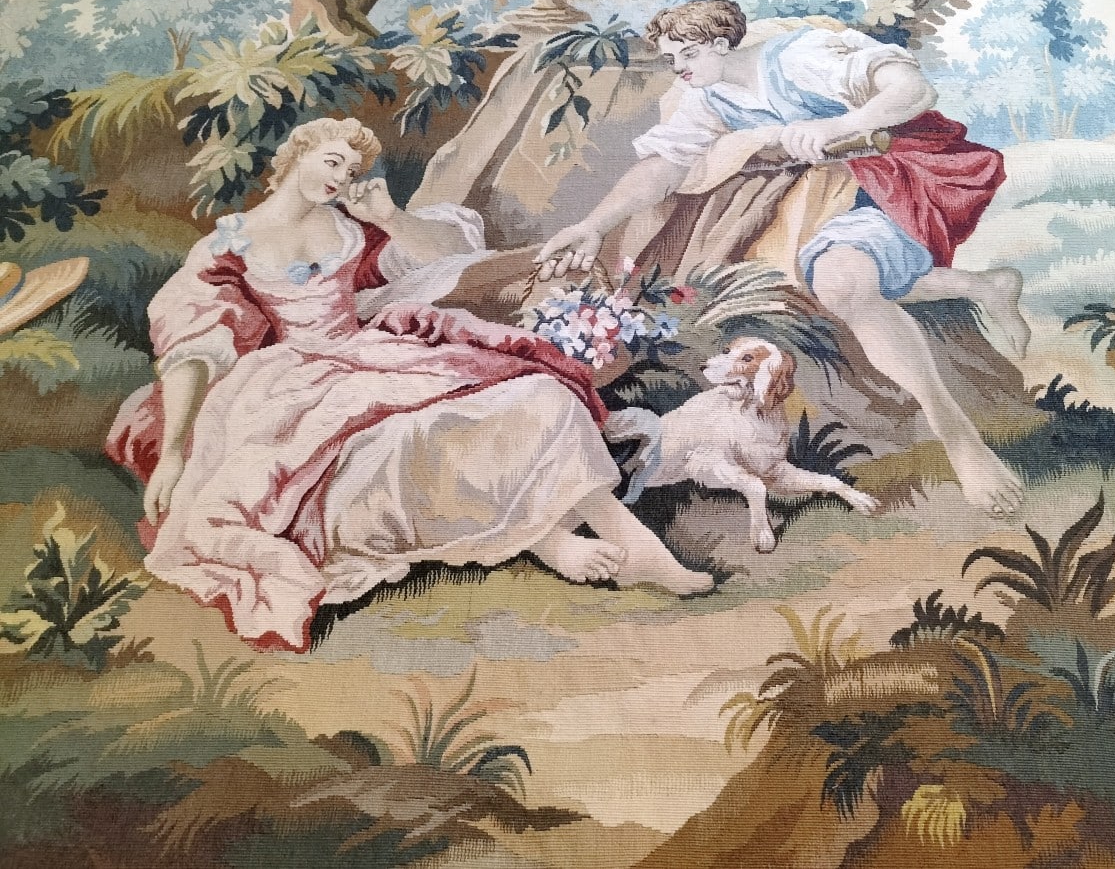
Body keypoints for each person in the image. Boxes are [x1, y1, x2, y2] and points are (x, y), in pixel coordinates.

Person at [106, 117, 712, 652]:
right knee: (398, 441)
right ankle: (549, 540)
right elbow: (195, 343)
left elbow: (438, 256)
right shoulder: (230, 243)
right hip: (292, 379)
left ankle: (628, 544)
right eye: (331, 161)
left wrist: (390, 218)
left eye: (350, 170)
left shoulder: (350, 227)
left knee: (537, 395)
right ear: (294, 156)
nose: (340, 178)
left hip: (374, 352)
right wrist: (177, 449)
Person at [537, 0, 1028, 518]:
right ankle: (984, 287)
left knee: (842, 283)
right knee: (838, 280)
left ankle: (959, 438)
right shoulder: (710, 97)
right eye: (670, 58)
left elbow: (914, 90)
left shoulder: (799, 58)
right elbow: (664, 166)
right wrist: (592, 226)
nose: (678, 67)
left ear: (721, 43)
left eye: (688, 53)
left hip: (900, 173)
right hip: (835, 193)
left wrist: (838, 125)